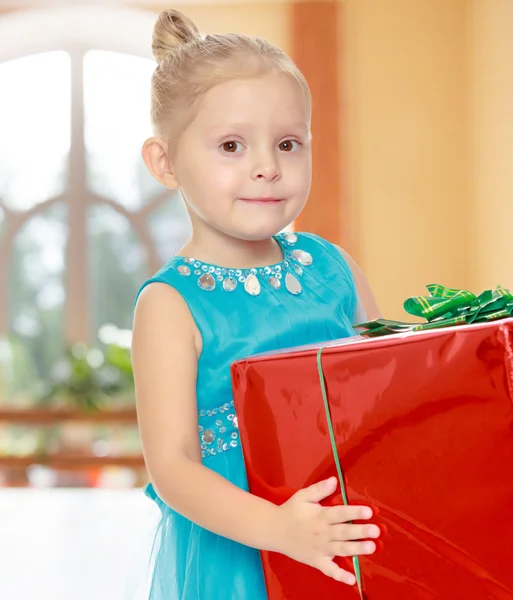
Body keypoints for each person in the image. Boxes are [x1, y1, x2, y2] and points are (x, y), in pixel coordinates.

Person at [131, 8, 382, 599]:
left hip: (348, 524)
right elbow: (172, 470)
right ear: (164, 162)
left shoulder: (334, 267)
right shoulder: (171, 304)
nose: (267, 167)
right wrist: (277, 529)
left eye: (288, 143)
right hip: (239, 552)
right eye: (232, 145)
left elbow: (386, 388)